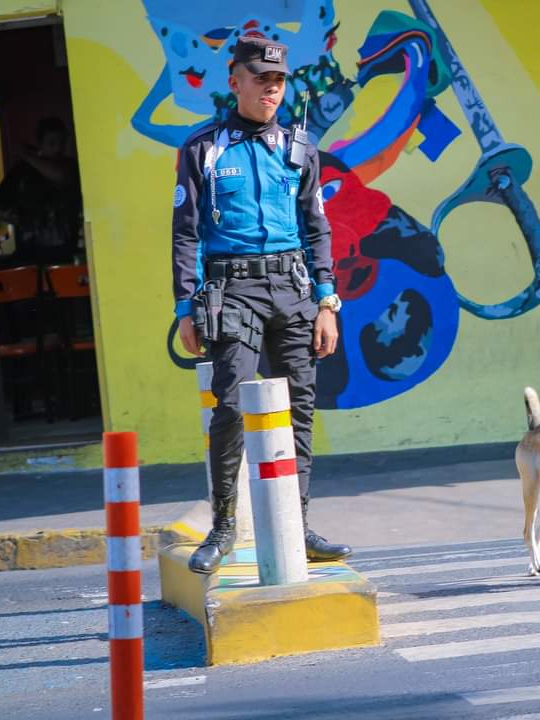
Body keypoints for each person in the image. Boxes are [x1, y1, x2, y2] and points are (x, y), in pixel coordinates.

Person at [173, 36, 352, 574]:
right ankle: (224, 528)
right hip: (232, 293)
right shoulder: (204, 147)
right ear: (235, 82)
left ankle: (297, 527)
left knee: (299, 409)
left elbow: (316, 228)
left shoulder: (300, 148)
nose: (270, 90)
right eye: (260, 80)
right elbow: (186, 233)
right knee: (229, 407)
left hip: (294, 291)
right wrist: (186, 305)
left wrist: (327, 302)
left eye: (278, 82)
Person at [0, 117, 82, 267]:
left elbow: (61, 176)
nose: (57, 149)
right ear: (40, 144)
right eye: (52, 143)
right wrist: (22, 219)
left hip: (66, 252)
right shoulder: (22, 171)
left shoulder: (70, 166)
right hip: (31, 253)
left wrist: (27, 155)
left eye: (61, 143)